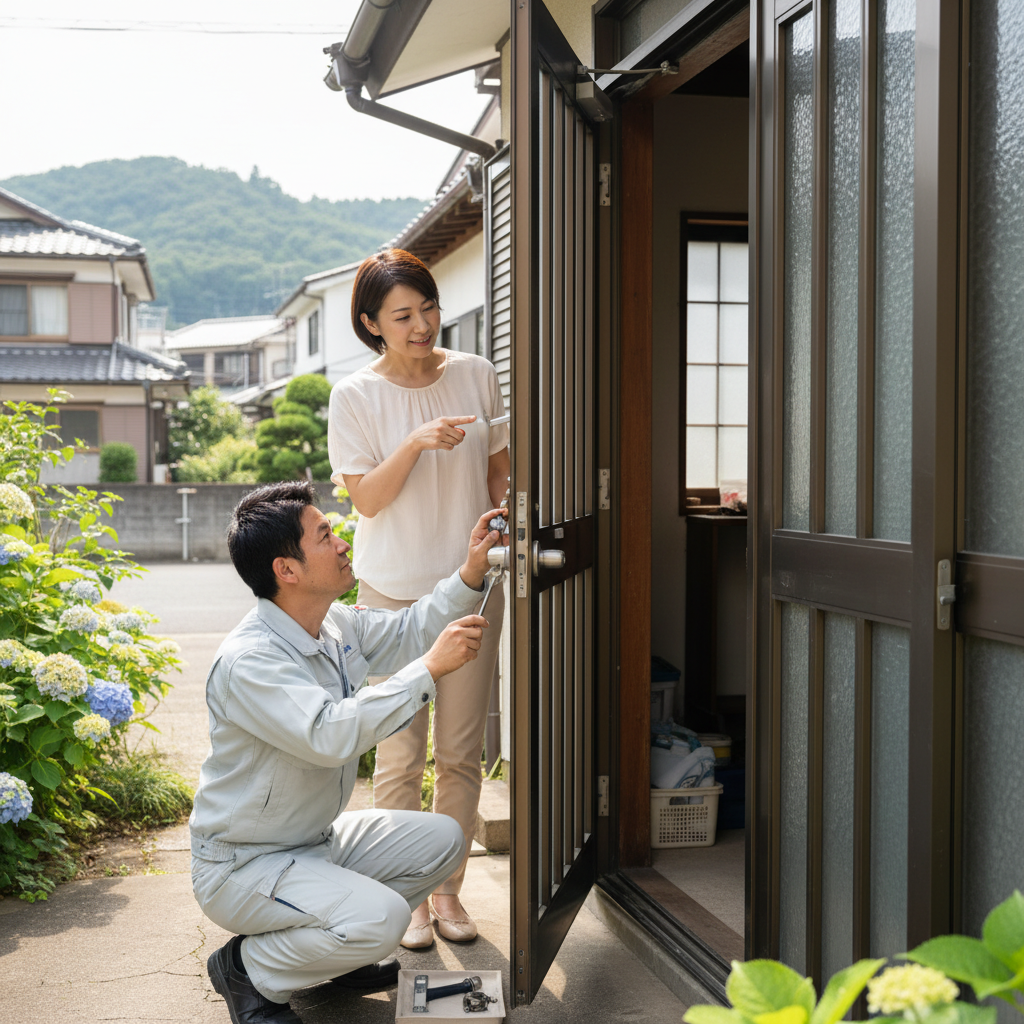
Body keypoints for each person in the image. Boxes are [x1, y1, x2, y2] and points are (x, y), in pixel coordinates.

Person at [190, 480, 502, 1024]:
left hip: (313, 843)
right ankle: (249, 969)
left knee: (446, 840)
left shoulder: (332, 624)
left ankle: (325, 959)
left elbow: (411, 628)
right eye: (325, 534)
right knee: (380, 920)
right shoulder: (251, 661)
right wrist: (428, 670)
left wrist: (472, 572)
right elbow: (329, 733)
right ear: (286, 570)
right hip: (244, 864)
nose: (342, 542)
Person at [328, 248, 510, 949]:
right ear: (371, 322)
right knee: (400, 757)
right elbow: (366, 498)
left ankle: (449, 892)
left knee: (461, 753)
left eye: (429, 308)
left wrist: (508, 523)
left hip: (468, 587)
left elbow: (499, 473)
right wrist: (413, 443)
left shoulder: (476, 374)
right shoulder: (354, 396)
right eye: (403, 315)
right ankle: (403, 897)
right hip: (390, 596)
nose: (422, 324)